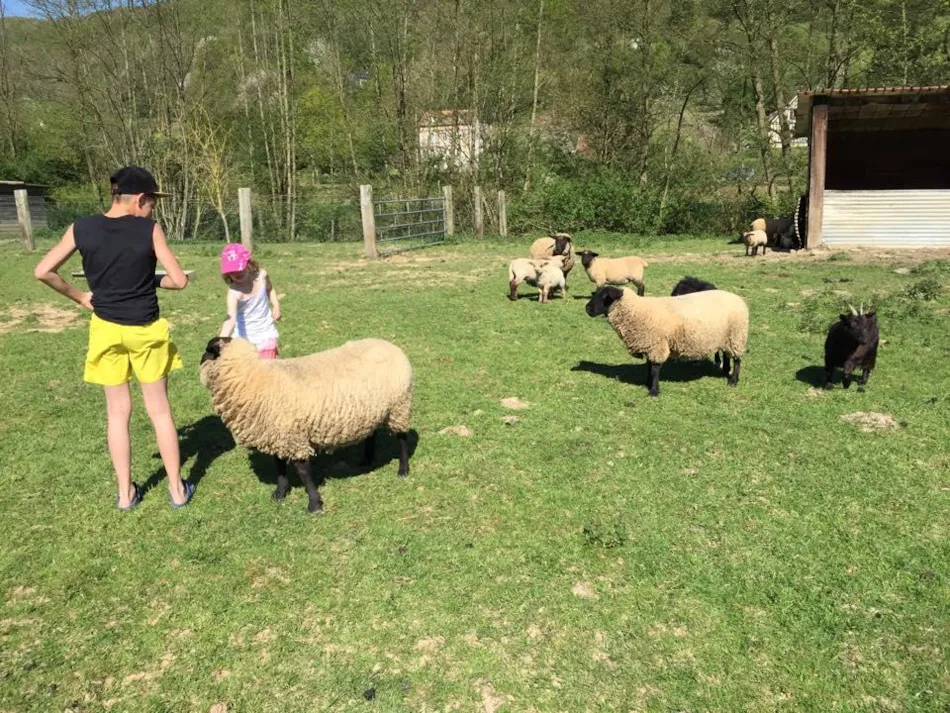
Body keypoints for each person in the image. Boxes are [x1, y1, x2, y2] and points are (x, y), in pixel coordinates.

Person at [33, 166, 195, 510]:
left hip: (106, 329)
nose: (153, 209)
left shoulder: (81, 228)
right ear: (140, 198)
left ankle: (125, 495)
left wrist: (80, 297)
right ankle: (177, 490)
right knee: (159, 411)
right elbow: (179, 281)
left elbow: (43, 271)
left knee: (117, 414)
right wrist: (152, 279)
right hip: (146, 330)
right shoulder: (150, 229)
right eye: (152, 202)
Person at [218, 243, 281, 359]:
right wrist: (220, 341)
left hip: (266, 336)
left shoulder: (262, 276)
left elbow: (270, 289)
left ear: (248, 263)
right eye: (232, 271)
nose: (236, 273)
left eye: (239, 268)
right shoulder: (234, 293)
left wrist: (276, 305)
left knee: (267, 369)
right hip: (244, 341)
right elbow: (230, 319)